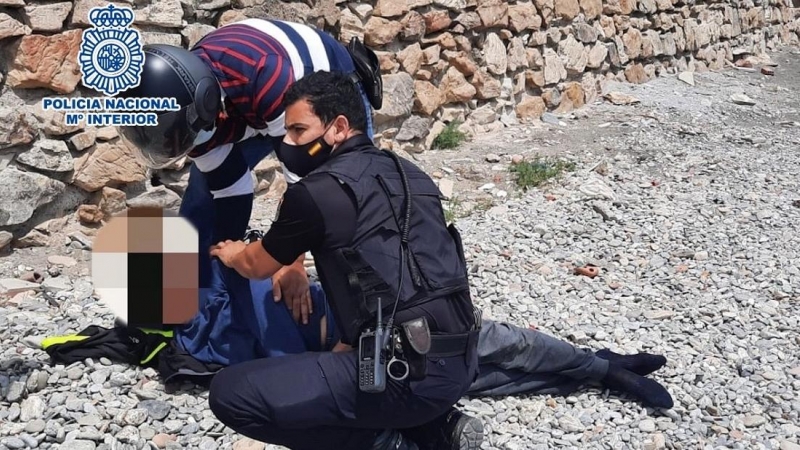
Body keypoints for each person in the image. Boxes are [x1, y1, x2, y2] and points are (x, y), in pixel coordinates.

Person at [204, 70, 485, 450]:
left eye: (298, 131)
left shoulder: (317, 193)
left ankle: (387, 443)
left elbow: (257, 265)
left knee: (231, 393)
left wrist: (233, 251)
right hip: (462, 359)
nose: (286, 143)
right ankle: (436, 429)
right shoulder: (410, 174)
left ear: (337, 128)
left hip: (405, 376)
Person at [113, 18, 382, 363]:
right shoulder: (188, 110)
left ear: (205, 105)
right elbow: (230, 190)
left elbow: (308, 188)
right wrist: (230, 256)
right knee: (201, 199)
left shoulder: (266, 78)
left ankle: (360, 325)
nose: (172, 145)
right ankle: (201, 307)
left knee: (350, 199)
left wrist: (292, 263)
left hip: (321, 90)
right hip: (245, 106)